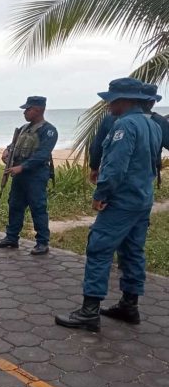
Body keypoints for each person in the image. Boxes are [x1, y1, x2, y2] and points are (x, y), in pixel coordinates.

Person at [55, 78, 162, 332]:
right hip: (142, 199)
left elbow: (115, 167)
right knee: (133, 252)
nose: (107, 105)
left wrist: (101, 194)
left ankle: (89, 311)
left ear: (124, 100)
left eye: (111, 100)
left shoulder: (123, 125)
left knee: (99, 249)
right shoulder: (154, 125)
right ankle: (129, 305)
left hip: (121, 201)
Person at [0, 96, 57, 255]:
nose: (25, 112)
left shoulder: (48, 131)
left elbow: (42, 155)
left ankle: (42, 242)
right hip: (19, 174)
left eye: (28, 109)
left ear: (38, 110)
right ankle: (12, 237)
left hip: (36, 175)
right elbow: (14, 144)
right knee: (15, 205)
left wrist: (22, 167)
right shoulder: (23, 129)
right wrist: (7, 151)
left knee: (38, 207)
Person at [90, 83, 169, 184]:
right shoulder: (158, 122)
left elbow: (97, 146)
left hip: (115, 178)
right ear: (152, 102)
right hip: (145, 176)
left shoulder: (111, 118)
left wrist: (94, 167)